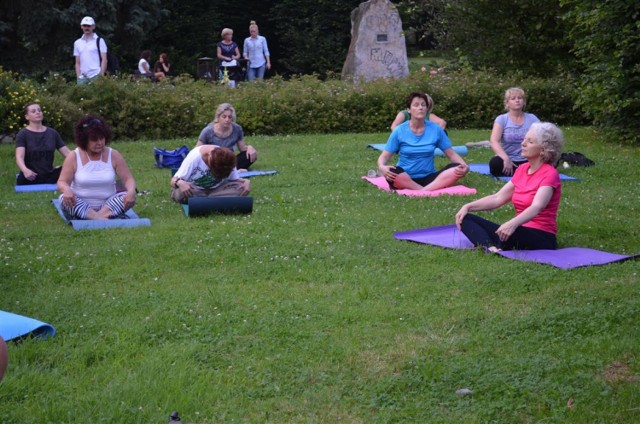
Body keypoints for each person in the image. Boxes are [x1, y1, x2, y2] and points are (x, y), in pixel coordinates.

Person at [455, 122, 564, 252]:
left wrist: (513, 223)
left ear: (543, 150)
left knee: (506, 234)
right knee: (465, 218)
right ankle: (490, 246)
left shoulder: (550, 174)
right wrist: (468, 206)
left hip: (541, 235)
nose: (523, 144)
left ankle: (489, 244)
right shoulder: (522, 169)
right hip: (517, 229)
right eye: (524, 139)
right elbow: (497, 198)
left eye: (530, 142)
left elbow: (537, 206)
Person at [377, 92, 469, 191]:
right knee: (392, 172)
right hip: (405, 177)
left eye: (423, 105)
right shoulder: (399, 131)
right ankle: (425, 190)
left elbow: (451, 154)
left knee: (457, 167)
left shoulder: (436, 130)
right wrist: (382, 166)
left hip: (430, 178)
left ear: (426, 109)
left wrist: (464, 166)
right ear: (409, 110)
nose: (420, 108)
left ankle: (422, 191)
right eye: (416, 105)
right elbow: (384, 156)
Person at [57, 116, 137, 220]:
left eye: (101, 138)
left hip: (108, 205)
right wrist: (66, 190)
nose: (99, 143)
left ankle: (95, 217)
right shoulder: (73, 156)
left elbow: (128, 179)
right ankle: (101, 218)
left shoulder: (114, 155)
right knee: (63, 199)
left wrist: (131, 191)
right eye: (94, 140)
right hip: (80, 203)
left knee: (128, 196)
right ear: (84, 140)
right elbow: (62, 181)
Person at [170, 145, 250, 203]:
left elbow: (235, 179)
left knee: (240, 189)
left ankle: (204, 200)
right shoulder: (194, 157)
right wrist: (179, 182)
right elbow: (173, 181)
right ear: (209, 160)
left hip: (217, 189)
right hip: (196, 189)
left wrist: (246, 181)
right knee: (181, 192)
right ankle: (216, 200)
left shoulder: (227, 159)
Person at [489, 87, 540, 177]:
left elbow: (542, 138)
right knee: (495, 164)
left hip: (528, 159)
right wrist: (506, 159)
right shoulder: (502, 119)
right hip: (508, 160)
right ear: (507, 103)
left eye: (519, 98)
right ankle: (523, 173)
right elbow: (494, 141)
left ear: (523, 102)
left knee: (546, 163)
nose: (517, 100)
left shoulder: (532, 118)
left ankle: (523, 171)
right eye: (513, 98)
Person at [15, 102, 71, 185]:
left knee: (68, 170)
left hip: (50, 175)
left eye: (39, 110)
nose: (37, 112)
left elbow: (68, 154)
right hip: (31, 176)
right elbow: (19, 157)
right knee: (23, 179)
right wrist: (25, 170)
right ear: (27, 117)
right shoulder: (22, 134)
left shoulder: (52, 133)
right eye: (33, 111)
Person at [196, 103, 257, 170]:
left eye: (229, 117)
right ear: (218, 117)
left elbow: (242, 148)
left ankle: (231, 170)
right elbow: (196, 151)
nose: (227, 120)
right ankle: (232, 170)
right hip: (213, 160)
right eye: (224, 117)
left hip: (229, 160)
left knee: (249, 155)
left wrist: (250, 147)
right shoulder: (208, 131)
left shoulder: (237, 129)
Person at [73, 16, 107, 85]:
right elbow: (77, 62)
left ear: (93, 27)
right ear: (81, 27)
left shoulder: (100, 41)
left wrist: (101, 75)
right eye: (84, 25)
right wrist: (78, 77)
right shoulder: (77, 43)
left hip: (96, 75)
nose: (86, 28)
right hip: (82, 78)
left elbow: (104, 59)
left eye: (88, 26)